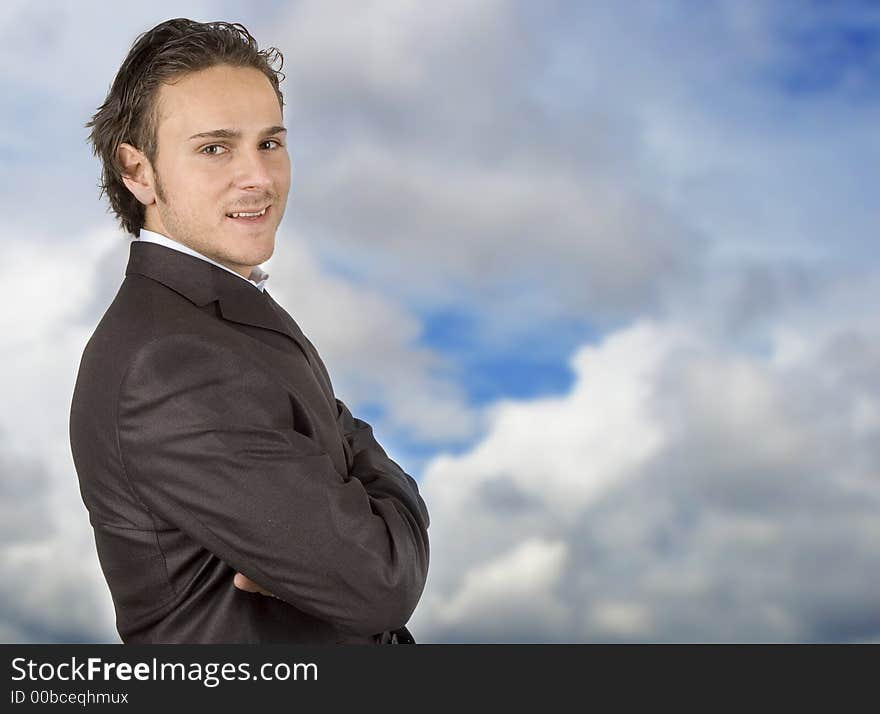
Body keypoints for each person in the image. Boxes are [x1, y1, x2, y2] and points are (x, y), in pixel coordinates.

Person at [69, 18, 430, 644]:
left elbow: (347, 470)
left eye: (270, 143)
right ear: (137, 172)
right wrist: (367, 498)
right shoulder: (170, 361)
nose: (258, 178)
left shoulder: (220, 320)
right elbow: (379, 582)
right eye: (214, 148)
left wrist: (341, 501)